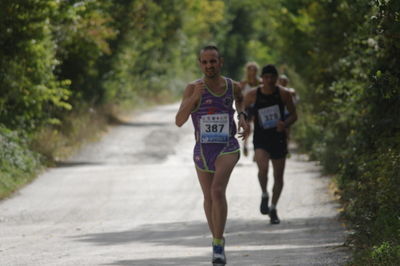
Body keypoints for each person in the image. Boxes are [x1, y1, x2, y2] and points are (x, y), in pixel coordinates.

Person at [175, 45, 249, 265]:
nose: (209, 65)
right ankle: (218, 239)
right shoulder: (192, 88)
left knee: (217, 191)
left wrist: (243, 116)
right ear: (200, 64)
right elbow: (179, 121)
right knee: (208, 197)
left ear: (221, 62)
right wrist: (193, 98)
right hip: (203, 150)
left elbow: (240, 98)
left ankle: (217, 245)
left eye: (213, 61)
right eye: (205, 62)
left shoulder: (231, 86)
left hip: (228, 146)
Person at [244, 64, 297, 224]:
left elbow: (294, 115)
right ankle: (264, 194)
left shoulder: (284, 94)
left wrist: (285, 123)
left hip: (278, 138)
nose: (269, 80)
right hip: (261, 138)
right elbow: (243, 111)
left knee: (278, 176)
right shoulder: (253, 94)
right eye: (266, 77)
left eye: (272, 77)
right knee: (263, 169)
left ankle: (273, 208)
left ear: (276, 78)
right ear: (262, 78)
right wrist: (246, 121)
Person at [239, 62, 262, 157]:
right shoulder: (243, 83)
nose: (252, 72)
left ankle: (257, 149)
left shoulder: (261, 82)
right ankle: (245, 144)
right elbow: (239, 97)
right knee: (248, 127)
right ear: (247, 71)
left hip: (259, 107)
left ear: (257, 71)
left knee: (259, 128)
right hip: (247, 107)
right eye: (250, 70)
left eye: (254, 70)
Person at [278, 74, 299, 141]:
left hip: (287, 113)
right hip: (278, 113)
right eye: (281, 81)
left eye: (284, 81)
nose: (283, 82)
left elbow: (296, 99)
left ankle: (286, 143)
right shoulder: (275, 91)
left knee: (287, 129)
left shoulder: (291, 91)